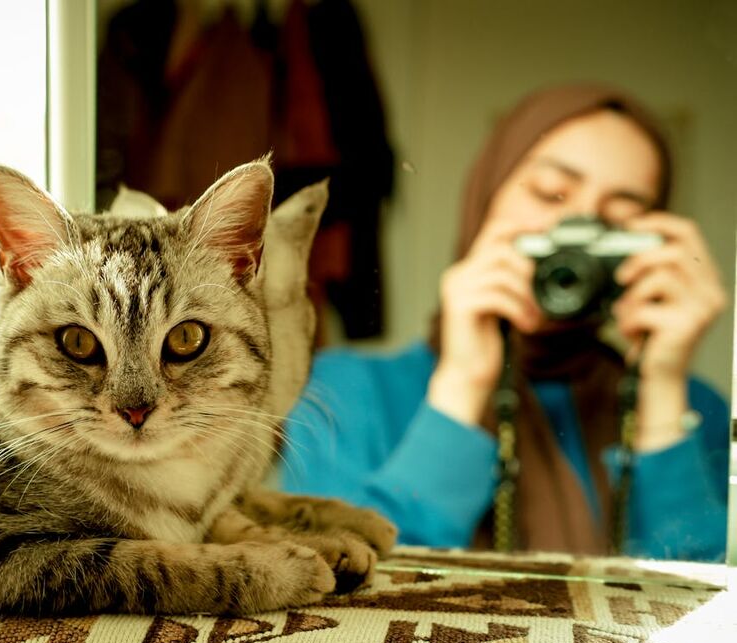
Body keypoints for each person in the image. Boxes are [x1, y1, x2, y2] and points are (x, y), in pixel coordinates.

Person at [279, 83, 729, 561]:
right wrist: (463, 385)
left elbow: (704, 616)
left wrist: (660, 392)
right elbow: (343, 588)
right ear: (487, 196)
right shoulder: (342, 391)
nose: (577, 230)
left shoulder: (694, 408)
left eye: (621, 215)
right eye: (550, 194)